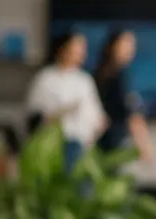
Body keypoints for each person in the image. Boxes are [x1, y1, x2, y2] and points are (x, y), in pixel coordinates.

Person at [24, 31, 106, 170]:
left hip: (84, 145)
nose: (81, 52)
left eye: (83, 48)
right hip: (57, 145)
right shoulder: (46, 79)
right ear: (63, 49)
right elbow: (35, 116)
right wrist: (60, 113)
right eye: (77, 47)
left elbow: (96, 114)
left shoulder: (84, 80)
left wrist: (99, 123)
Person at [92, 29, 155, 166]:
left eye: (133, 44)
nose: (131, 49)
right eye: (126, 43)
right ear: (113, 45)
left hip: (103, 143)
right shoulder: (114, 77)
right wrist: (143, 146)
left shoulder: (112, 73)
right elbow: (132, 114)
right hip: (109, 143)